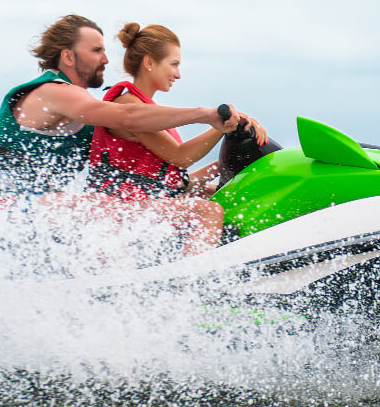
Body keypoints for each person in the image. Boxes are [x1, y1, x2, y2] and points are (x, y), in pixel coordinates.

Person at [0, 14, 260, 252]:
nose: (106, 59)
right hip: (0, 205)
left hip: (39, 210)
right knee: (104, 208)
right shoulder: (52, 92)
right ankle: (185, 293)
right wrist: (207, 115)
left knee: (112, 211)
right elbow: (128, 116)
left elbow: (148, 160)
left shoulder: (87, 109)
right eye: (96, 51)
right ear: (68, 56)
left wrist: (232, 148)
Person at [86, 22, 267, 255]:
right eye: (174, 64)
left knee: (217, 194)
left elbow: (171, 181)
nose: (178, 74)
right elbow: (180, 157)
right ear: (149, 62)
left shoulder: (147, 108)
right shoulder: (128, 105)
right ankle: (190, 284)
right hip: (116, 210)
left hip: (139, 203)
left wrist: (228, 165)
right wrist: (223, 127)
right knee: (208, 211)